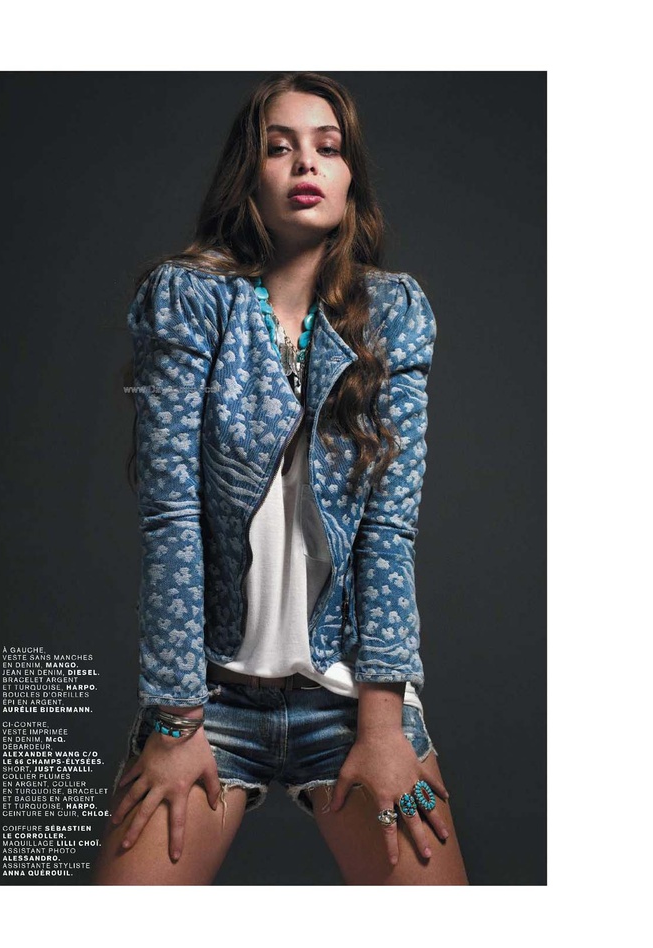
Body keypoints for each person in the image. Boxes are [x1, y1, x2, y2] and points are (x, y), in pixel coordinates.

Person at [94, 72, 469, 886]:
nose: (306, 163)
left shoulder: (392, 315)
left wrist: (382, 724)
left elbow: (388, 529)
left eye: (327, 147)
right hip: (208, 697)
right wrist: (176, 718)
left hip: (354, 698)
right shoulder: (189, 302)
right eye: (280, 147)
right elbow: (170, 518)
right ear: (250, 175)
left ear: (349, 177)